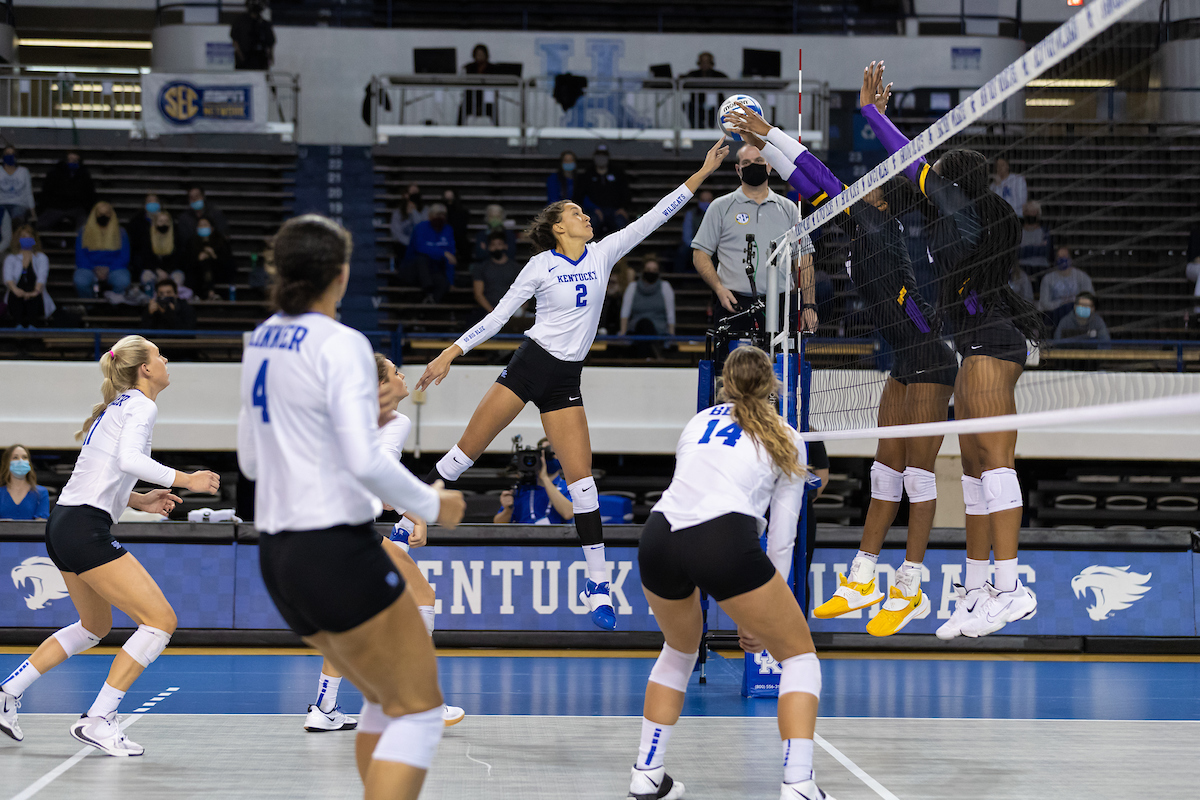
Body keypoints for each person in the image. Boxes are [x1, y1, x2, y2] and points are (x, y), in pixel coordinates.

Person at [417, 136, 729, 632]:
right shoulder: (540, 265)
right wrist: (451, 352)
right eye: (577, 212)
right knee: (464, 454)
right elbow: (500, 316)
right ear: (558, 227)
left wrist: (705, 170)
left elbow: (659, 214)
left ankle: (598, 583)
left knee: (583, 486)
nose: (587, 217)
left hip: (565, 378)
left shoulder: (604, 254)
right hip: (529, 364)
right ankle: (408, 518)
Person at [237, 214, 464, 799]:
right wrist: (433, 505)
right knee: (417, 710)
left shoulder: (260, 340)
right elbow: (366, 462)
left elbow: (253, 460)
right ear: (340, 275)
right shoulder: (341, 343)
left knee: (384, 701)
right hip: (334, 547)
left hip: (278, 555)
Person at [729, 98, 957, 636]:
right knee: (883, 473)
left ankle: (910, 584)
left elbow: (821, 176)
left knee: (919, 479)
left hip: (931, 359)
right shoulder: (862, 224)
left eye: (871, 185)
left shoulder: (875, 226)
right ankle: (862, 577)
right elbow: (813, 181)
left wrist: (769, 132)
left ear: (880, 202)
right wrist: (769, 141)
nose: (861, 187)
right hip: (904, 359)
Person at [859, 61, 1042, 639]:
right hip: (974, 342)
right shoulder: (949, 222)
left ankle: (1011, 587)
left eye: (937, 178)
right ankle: (975, 585)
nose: (926, 182)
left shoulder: (975, 214)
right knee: (970, 464)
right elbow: (915, 175)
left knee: (993, 459)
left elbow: (915, 164)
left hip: (995, 338)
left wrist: (873, 116)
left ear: (951, 185)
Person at [627, 346, 830, 800]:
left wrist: (753, 611)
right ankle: (798, 784)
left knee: (678, 651)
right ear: (773, 386)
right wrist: (758, 618)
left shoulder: (698, 423)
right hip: (721, 538)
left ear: (725, 382)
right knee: (799, 659)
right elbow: (781, 539)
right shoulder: (789, 437)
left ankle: (646, 774)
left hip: (659, 536)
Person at [0, 334, 220, 753]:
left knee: (94, 626)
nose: (166, 359)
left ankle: (7, 692)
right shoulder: (141, 404)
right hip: (84, 527)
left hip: (64, 523)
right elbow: (129, 462)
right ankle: (99, 719)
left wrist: (137, 499)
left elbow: (101, 474)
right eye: (159, 355)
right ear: (146, 368)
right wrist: (186, 479)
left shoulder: (116, 407)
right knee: (160, 622)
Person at [305, 353, 465, 732]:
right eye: (395, 372)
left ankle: (324, 709)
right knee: (421, 597)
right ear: (378, 386)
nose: (403, 375)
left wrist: (405, 512)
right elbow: (382, 474)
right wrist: (421, 509)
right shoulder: (395, 421)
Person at [691, 142, 818, 337]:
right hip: (733, 303)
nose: (754, 165)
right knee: (729, 366)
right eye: (747, 162)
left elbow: (804, 258)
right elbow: (700, 254)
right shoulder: (720, 207)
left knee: (779, 366)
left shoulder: (789, 209)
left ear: (770, 165)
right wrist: (719, 289)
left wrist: (809, 305)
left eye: (759, 161)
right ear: (738, 169)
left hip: (781, 304)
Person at [493, 438, 574, 525]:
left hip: (558, 537)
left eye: (555, 452)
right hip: (524, 537)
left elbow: (568, 513)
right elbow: (498, 525)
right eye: (547, 452)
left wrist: (544, 478)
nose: (551, 456)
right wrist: (508, 510)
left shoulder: (568, 487)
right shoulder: (522, 489)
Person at [619, 257, 676, 359]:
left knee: (646, 326)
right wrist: (623, 334)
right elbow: (625, 313)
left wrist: (671, 336)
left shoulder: (665, 287)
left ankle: (645, 359)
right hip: (636, 330)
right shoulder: (633, 287)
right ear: (643, 271)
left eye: (654, 270)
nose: (651, 272)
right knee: (644, 324)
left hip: (659, 332)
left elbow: (670, 314)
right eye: (648, 269)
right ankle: (654, 356)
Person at [400, 203, 457, 304]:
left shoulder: (448, 230)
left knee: (444, 283)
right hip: (413, 270)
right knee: (422, 258)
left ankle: (430, 302)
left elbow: (450, 257)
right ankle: (428, 290)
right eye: (438, 215)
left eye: (443, 215)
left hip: (433, 271)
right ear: (430, 215)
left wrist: (451, 281)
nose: (440, 217)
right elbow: (420, 247)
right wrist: (442, 253)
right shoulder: (420, 227)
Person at [74, 202, 131, 298]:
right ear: (94, 214)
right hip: (89, 268)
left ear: (111, 214)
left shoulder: (121, 232)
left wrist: (109, 269)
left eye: (106, 213)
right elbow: (80, 255)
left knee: (123, 281)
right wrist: (94, 268)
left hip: (114, 268)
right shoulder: (83, 231)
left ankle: (114, 305)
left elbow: (124, 255)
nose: (103, 216)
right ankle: (89, 306)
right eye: (100, 214)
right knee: (80, 280)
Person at [573, 144, 631, 237]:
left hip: (614, 211)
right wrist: (590, 209)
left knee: (620, 222)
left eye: (603, 155)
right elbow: (578, 197)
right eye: (599, 155)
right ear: (594, 157)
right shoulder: (587, 175)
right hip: (593, 211)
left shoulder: (618, 174)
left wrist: (623, 208)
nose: (601, 158)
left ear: (607, 157)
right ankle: (588, 250)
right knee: (590, 223)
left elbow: (626, 193)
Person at [4, 225, 55, 327]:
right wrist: (16, 290)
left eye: (29, 237)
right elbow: (8, 278)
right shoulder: (11, 258)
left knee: (33, 299)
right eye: (23, 237)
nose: (26, 239)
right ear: (18, 239)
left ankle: (33, 325)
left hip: (35, 293)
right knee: (15, 296)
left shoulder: (41, 258)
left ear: (34, 239)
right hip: (16, 294)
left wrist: (34, 292)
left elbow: (42, 277)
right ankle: (18, 325)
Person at [36, 150, 96, 232]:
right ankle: (53, 243)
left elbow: (89, 194)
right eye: (70, 160)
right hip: (56, 207)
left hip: (76, 208)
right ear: (65, 160)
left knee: (84, 229)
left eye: (75, 160)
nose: (72, 162)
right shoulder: (54, 173)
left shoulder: (84, 174)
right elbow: (46, 192)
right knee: (39, 226)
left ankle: (77, 244)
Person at [471, 231, 522, 320]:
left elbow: (524, 292)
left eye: (499, 244)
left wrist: (516, 311)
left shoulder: (516, 268)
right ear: (489, 247)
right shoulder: (481, 268)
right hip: (488, 313)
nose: (496, 248)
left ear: (505, 246)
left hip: (512, 312)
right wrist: (493, 313)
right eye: (493, 245)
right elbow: (478, 295)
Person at [137, 211, 189, 298]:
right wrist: (157, 270)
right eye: (160, 221)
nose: (163, 224)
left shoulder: (176, 237)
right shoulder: (147, 237)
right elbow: (145, 258)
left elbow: (180, 259)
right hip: (154, 270)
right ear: (155, 223)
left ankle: (173, 301)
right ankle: (150, 301)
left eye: (166, 221)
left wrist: (167, 272)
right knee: (146, 276)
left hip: (172, 271)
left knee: (178, 277)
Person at [1039, 247, 1094, 328]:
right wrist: (1061, 303)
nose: (1062, 259)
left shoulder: (1082, 277)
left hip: (1077, 312)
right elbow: (1044, 303)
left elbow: (1089, 297)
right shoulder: (1048, 278)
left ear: (1070, 259)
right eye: (1059, 257)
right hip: (1056, 314)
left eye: (1064, 256)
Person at [183, 217, 235, 300]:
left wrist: (214, 255)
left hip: (218, 273)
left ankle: (210, 292)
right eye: (200, 225)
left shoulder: (221, 242)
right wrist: (198, 259)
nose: (203, 227)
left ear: (212, 228)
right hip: (197, 273)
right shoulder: (191, 242)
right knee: (204, 264)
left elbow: (229, 262)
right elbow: (186, 262)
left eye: (205, 225)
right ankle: (210, 292)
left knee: (207, 263)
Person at [0, 445, 49, 520]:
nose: (21, 461)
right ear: (7, 463)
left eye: (24, 457)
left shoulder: (41, 493)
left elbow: (41, 524)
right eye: (15, 458)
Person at [682, 51, 728, 129]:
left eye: (707, 62)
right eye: (702, 62)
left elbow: (728, 82)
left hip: (715, 107)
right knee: (687, 105)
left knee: (725, 105)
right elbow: (683, 80)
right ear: (699, 63)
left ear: (712, 64)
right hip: (697, 105)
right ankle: (697, 128)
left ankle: (714, 127)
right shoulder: (693, 74)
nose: (705, 65)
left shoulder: (719, 75)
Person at [230, 0, 275, 70]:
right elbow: (235, 41)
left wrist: (270, 57)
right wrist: (241, 57)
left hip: (260, 60)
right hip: (244, 60)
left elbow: (270, 43)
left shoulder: (264, 24)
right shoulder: (240, 22)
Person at [675, 189, 712, 272]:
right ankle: (679, 279)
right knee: (682, 251)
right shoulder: (691, 214)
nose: (705, 203)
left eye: (708, 200)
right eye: (703, 200)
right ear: (699, 201)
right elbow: (687, 236)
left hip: (712, 246)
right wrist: (697, 247)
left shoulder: (717, 214)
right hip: (693, 245)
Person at [389, 185, 427, 264]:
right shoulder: (397, 212)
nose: (414, 197)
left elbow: (423, 229)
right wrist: (408, 220)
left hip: (420, 245)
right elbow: (396, 234)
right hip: (404, 246)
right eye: (411, 194)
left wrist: (414, 213)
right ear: (405, 195)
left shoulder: (425, 210)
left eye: (416, 193)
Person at [461, 43, 496, 123]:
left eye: (481, 54)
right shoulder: (469, 67)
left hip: (487, 98)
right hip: (471, 98)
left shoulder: (492, 68)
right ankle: (457, 130)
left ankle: (497, 130)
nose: (479, 56)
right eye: (478, 54)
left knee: (492, 109)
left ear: (486, 55)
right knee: (463, 108)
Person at [0, 146, 36, 223]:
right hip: (2, 203)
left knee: (17, 216)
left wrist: (33, 212)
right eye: (7, 154)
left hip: (19, 203)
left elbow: (28, 192)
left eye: (12, 154)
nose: (10, 156)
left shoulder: (24, 171)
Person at [1017, 200, 1052, 274]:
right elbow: (1017, 252)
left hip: (1041, 268)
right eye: (1027, 211)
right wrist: (1036, 248)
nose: (1029, 214)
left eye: (1032, 211)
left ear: (1038, 214)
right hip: (1021, 268)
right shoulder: (1018, 232)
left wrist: (1025, 249)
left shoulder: (1045, 232)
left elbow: (1045, 252)